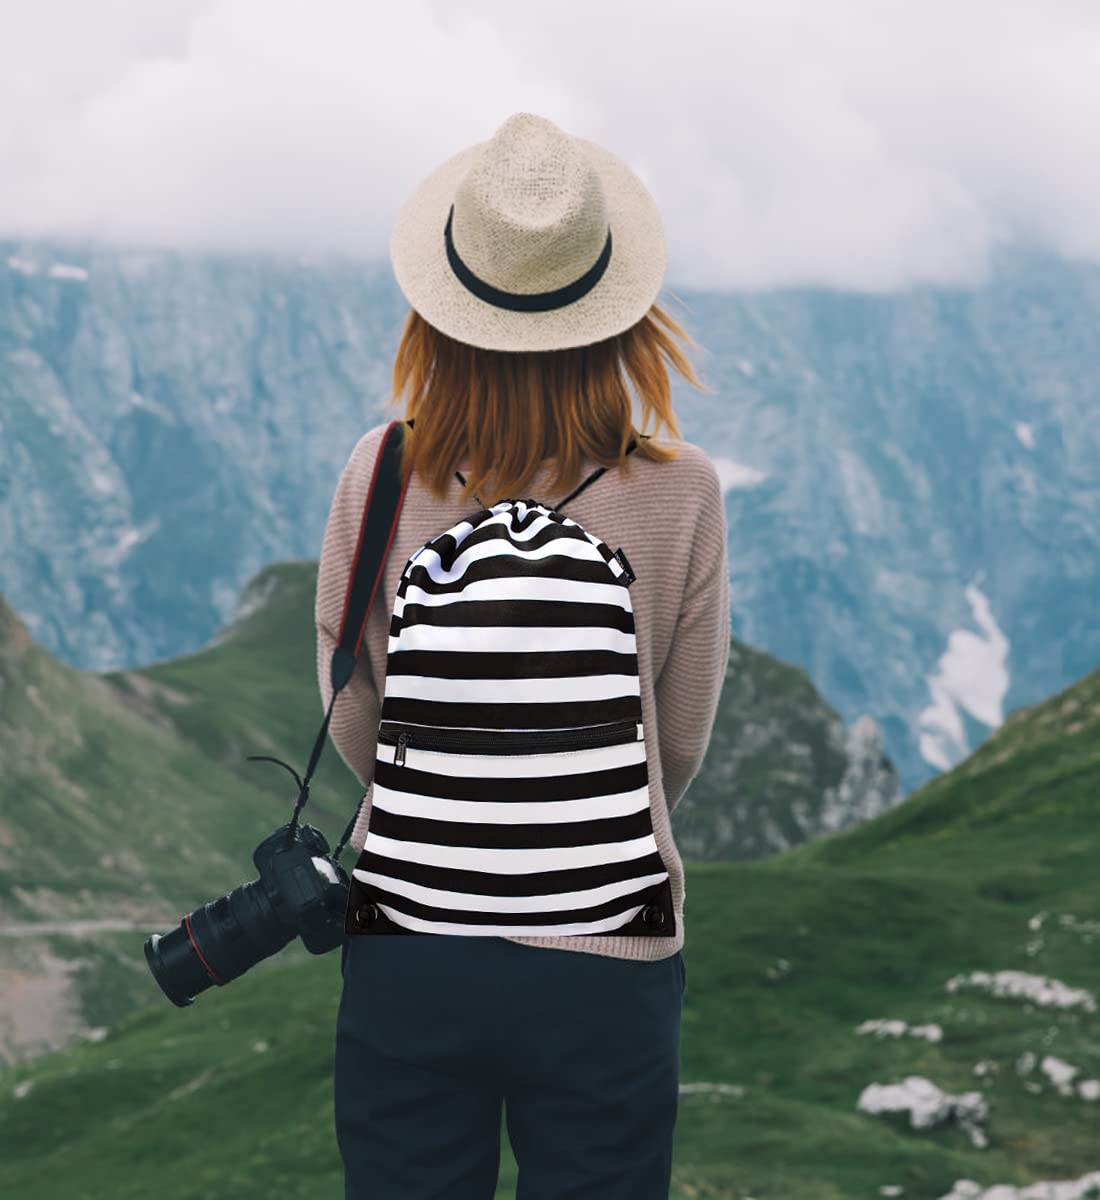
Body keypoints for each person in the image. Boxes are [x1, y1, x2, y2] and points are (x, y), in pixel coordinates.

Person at [315, 111, 730, 1200]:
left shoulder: (382, 470)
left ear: (440, 309)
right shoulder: (679, 491)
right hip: (607, 953)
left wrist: (455, 804)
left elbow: (352, 699)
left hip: (411, 943)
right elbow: (673, 736)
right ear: (619, 315)